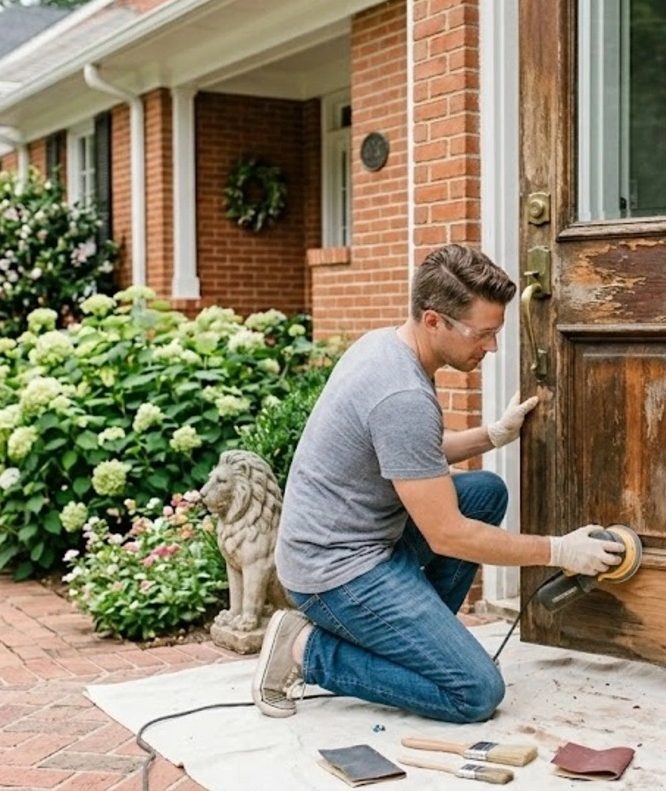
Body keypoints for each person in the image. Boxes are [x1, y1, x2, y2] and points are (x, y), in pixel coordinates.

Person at [253, 243, 624, 724]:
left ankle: (414, 642)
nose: (491, 347)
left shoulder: (386, 345)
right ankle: (306, 649)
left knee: (485, 493)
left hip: (363, 538)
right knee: (474, 692)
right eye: (483, 334)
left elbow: (410, 456)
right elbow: (447, 534)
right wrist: (560, 550)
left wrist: (492, 435)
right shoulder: (401, 392)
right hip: (334, 573)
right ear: (434, 321)